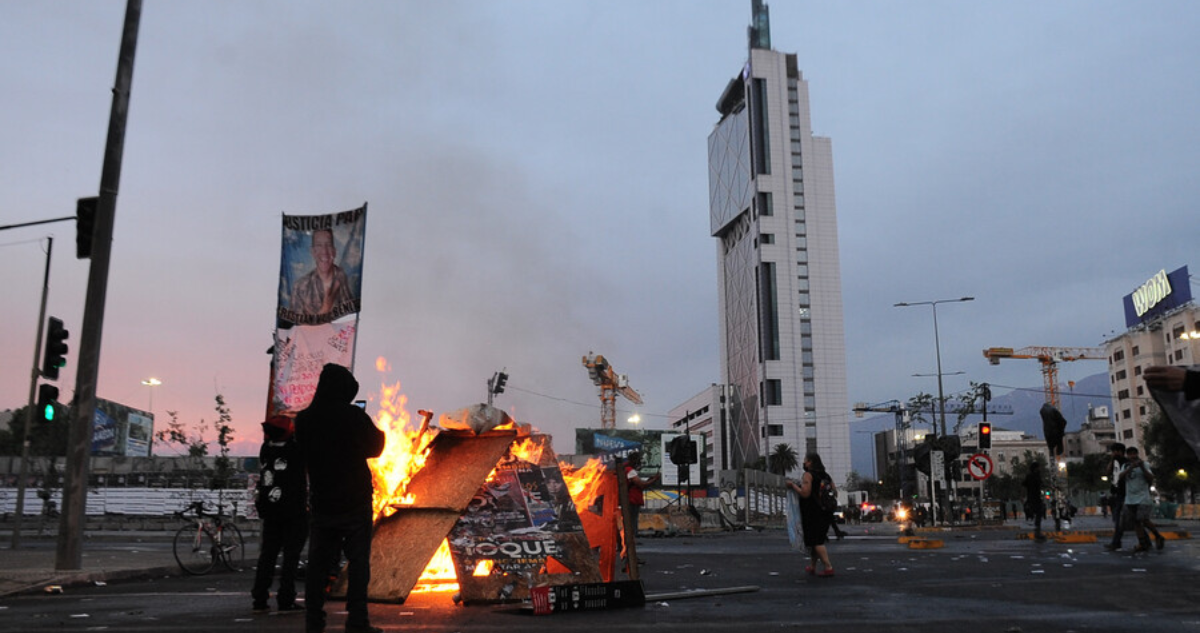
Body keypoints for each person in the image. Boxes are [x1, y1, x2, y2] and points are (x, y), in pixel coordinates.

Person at [295, 363, 386, 633]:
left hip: (323, 501)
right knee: (358, 563)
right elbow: (376, 447)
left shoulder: (305, 419)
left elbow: (302, 453)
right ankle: (357, 621)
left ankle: (314, 621)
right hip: (355, 500)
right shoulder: (353, 416)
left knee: (318, 565)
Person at [251, 415, 308, 614]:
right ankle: (286, 598)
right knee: (291, 557)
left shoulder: (266, 449)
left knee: (268, 554)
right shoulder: (296, 450)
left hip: (270, 509)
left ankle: (259, 596)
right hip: (294, 510)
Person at [786, 453, 835, 577]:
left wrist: (793, 486)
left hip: (812, 512)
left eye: (805, 461)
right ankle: (813, 566)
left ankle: (828, 566)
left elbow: (805, 493)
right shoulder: (826, 476)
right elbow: (834, 491)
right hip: (826, 511)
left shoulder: (808, 475)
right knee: (815, 540)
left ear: (811, 462)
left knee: (816, 540)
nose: (804, 463)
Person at [290, 229, 355, 318]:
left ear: (334, 251)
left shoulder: (341, 277)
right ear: (313, 252)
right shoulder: (299, 287)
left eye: (328, 245)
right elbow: (297, 328)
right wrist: (326, 307)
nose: (324, 251)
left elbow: (350, 320)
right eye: (319, 245)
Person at [1120, 446, 1166, 553]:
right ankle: (1142, 543)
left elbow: (1150, 478)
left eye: (1134, 454)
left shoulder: (1144, 464)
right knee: (1136, 522)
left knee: (1143, 520)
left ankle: (1157, 536)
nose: (1132, 456)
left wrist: (1142, 468)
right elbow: (1121, 477)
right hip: (1130, 498)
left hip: (1143, 497)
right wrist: (1130, 468)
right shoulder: (1125, 466)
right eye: (1130, 454)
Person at [623, 452, 660, 533]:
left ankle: (632, 536)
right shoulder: (630, 471)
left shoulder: (626, 469)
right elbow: (641, 485)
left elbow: (637, 484)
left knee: (632, 519)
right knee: (632, 520)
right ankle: (632, 537)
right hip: (632, 499)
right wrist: (654, 479)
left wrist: (650, 480)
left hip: (631, 498)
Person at [1103, 442, 1127, 551]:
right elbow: (1107, 472)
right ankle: (1116, 542)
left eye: (1116, 451)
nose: (1114, 453)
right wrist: (1112, 460)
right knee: (1120, 519)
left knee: (1120, 520)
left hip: (1125, 494)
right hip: (1117, 494)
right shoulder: (1114, 463)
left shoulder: (1126, 463)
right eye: (1113, 451)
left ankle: (1116, 542)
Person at [1022, 462, 1046, 542]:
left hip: (1031, 498)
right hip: (1036, 497)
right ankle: (1037, 532)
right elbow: (1041, 484)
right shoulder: (1036, 476)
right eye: (1038, 467)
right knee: (1039, 512)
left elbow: (1024, 484)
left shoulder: (1029, 476)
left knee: (1037, 512)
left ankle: (1037, 531)